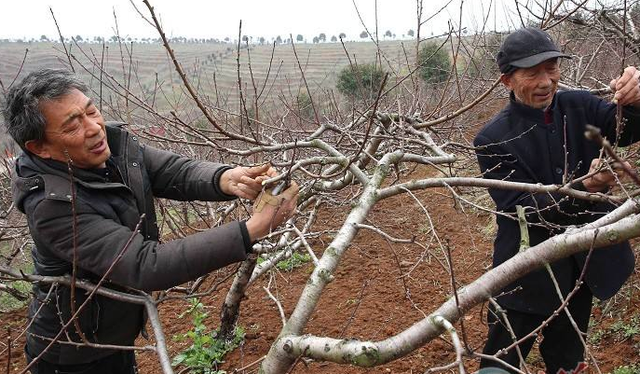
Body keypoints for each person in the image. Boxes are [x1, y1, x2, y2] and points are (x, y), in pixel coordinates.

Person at [2, 68, 299, 373]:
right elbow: (145, 264)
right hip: (72, 354)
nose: (94, 128)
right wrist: (254, 228)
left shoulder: (113, 146)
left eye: (91, 111)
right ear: (40, 148)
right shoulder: (52, 206)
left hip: (115, 334)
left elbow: (172, 171)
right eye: (72, 126)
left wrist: (227, 179)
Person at [474, 27, 640, 373]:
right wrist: (586, 188)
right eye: (532, 73)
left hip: (582, 263)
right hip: (525, 268)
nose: (546, 81)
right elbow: (522, 210)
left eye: (551, 68)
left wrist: (634, 98)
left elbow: (626, 128)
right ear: (507, 81)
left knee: (567, 360)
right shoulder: (493, 138)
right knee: (501, 361)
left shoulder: (579, 106)